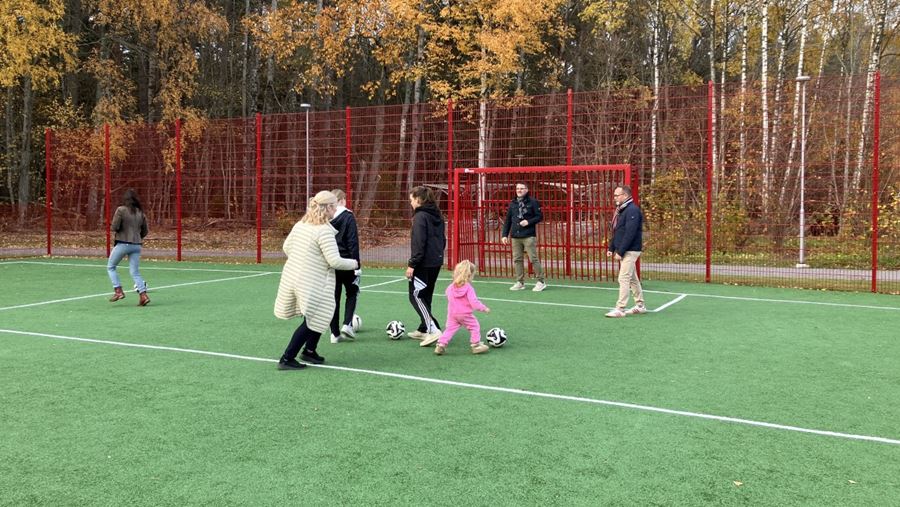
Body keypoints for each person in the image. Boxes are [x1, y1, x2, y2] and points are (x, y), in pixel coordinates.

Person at [274, 191, 359, 370]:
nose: (336, 208)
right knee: (312, 317)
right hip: (313, 281)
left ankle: (310, 350)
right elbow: (334, 261)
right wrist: (354, 263)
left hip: (295, 276)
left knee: (322, 313)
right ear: (327, 207)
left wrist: (303, 260)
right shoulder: (324, 231)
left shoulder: (301, 224)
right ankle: (287, 358)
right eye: (334, 205)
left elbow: (286, 247)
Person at [405, 186, 446, 347]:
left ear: (419, 200)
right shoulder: (437, 215)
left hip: (423, 262)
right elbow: (443, 240)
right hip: (436, 261)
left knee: (415, 295)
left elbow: (419, 242)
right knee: (426, 294)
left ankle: (433, 329)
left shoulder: (420, 217)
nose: (411, 203)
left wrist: (412, 263)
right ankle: (423, 328)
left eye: (412, 200)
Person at [432, 260, 491, 355]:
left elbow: (447, 294)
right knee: (474, 326)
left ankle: (441, 345)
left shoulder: (451, 287)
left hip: (452, 314)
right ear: (470, 275)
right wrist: (483, 308)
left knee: (449, 329)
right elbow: (474, 302)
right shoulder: (468, 288)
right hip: (465, 314)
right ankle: (476, 345)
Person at [605, 185, 646, 318]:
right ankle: (640, 306)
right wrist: (612, 248)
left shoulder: (632, 210)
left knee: (623, 277)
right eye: (615, 195)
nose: (615, 198)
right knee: (633, 279)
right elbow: (618, 231)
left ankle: (620, 309)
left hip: (631, 249)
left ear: (625, 195)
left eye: (617, 195)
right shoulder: (621, 210)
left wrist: (620, 251)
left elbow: (630, 233)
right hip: (625, 249)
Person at [328, 189, 361, 344]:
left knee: (334, 298)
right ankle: (347, 324)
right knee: (352, 292)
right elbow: (352, 241)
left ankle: (334, 334)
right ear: (342, 200)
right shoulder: (348, 216)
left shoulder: (326, 218)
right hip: (347, 262)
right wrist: (357, 265)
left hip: (332, 262)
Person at [107, 189, 150, 306]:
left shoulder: (121, 210)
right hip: (137, 245)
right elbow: (145, 231)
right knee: (135, 272)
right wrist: (137, 237)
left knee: (111, 267)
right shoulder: (141, 213)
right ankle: (143, 295)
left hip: (123, 243)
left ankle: (118, 290)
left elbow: (114, 227)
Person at [501, 182, 547, 292]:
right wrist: (504, 235)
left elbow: (539, 216)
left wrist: (528, 222)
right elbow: (508, 220)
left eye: (522, 188)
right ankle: (520, 282)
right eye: (517, 188)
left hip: (528, 235)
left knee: (533, 258)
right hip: (515, 236)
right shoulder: (513, 203)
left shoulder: (533, 202)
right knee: (517, 259)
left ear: (526, 190)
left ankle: (541, 281)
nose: (519, 190)